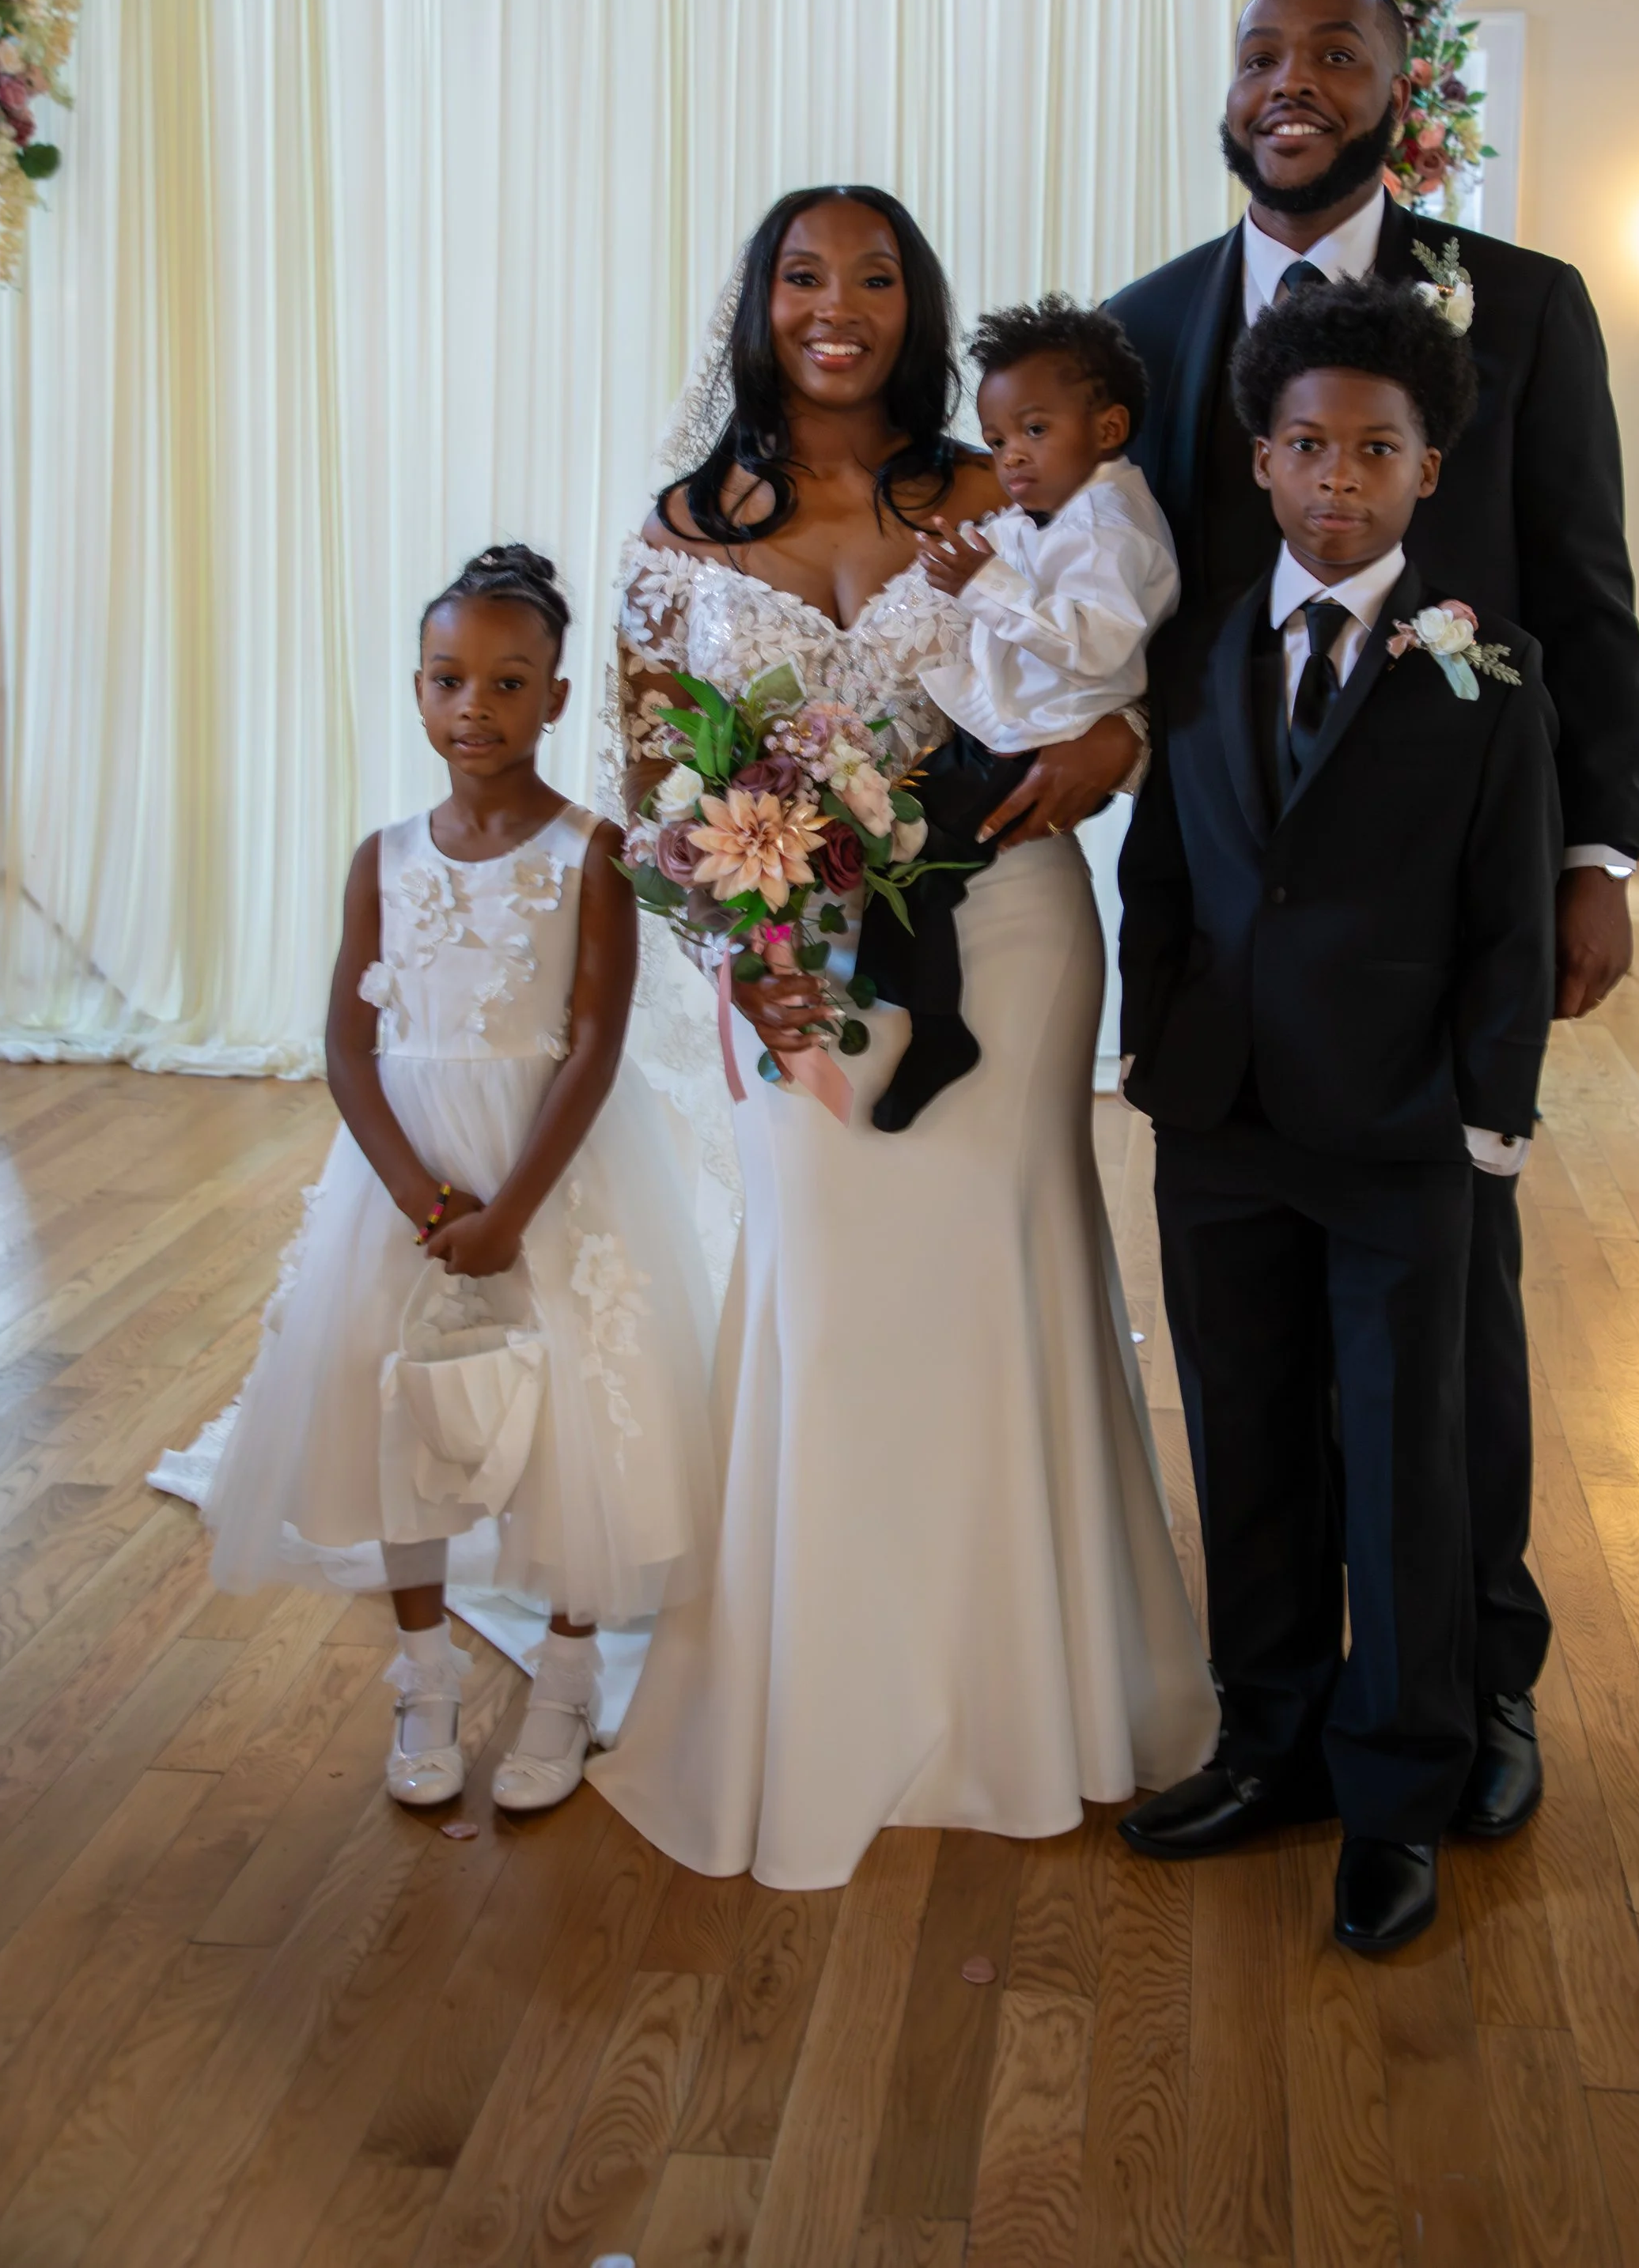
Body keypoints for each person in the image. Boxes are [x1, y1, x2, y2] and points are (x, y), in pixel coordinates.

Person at [590, 187, 1217, 1890]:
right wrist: (736, 953)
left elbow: (1125, 650)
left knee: (1003, 1272)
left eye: (874, 277)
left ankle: (1034, 1696)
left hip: (1008, 935)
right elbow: (648, 786)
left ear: (916, 307)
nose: (836, 306)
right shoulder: (680, 529)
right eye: (804, 276)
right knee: (830, 1291)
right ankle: (822, 1695)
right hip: (798, 962)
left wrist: (1125, 746)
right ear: (759, 304)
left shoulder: (997, 484)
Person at [1100, 0, 1639, 1835]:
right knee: (1255, 1376)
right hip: (1241, 960)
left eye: (1335, 55)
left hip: (1432, 927)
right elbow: (1121, 611)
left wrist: (1592, 856)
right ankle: (1279, 1717)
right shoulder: (1147, 329)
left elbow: (1583, 589)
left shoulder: (1527, 304)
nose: (1291, 83)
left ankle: (1472, 1685)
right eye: (1259, 53)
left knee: (1443, 1362)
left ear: (1399, 92)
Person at [1118, 278, 1560, 1952]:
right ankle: (1271, 1741)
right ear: (1260, 459)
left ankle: (1396, 1791)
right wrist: (1155, 1054)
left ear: (1426, 470)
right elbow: (1163, 876)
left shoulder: (1488, 670)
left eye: (1375, 449)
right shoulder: (1201, 650)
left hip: (1398, 1135)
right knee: (1246, 1442)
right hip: (1221, 1119)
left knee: (1399, 1463)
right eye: (1307, 446)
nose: (1337, 479)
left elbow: (1509, 923)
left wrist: (1486, 1119)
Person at [203, 545, 715, 1816]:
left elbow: (593, 1044)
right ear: (417, 688)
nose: (473, 705)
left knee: (579, 1415)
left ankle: (567, 1676)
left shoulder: (591, 851)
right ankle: (422, 1674)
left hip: (550, 1172)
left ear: (555, 696)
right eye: (448, 678)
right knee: (400, 1409)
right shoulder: (382, 856)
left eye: (508, 680)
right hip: (410, 1186)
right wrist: (428, 1204)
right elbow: (345, 1046)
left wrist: (512, 1212)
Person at [861, 297, 1175, 1130]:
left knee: (906, 855)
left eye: (1034, 430)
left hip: (1044, 743)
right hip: (1016, 729)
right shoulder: (1071, 510)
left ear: (1108, 427)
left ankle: (932, 1027)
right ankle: (899, 998)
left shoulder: (1112, 526)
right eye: (997, 440)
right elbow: (1024, 557)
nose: (1011, 457)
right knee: (900, 844)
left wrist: (984, 584)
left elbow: (1096, 643)